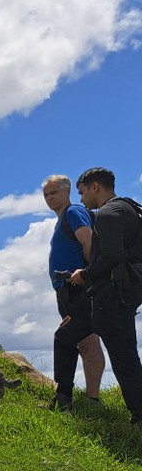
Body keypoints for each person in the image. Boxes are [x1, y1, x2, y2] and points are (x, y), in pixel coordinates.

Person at [68, 167, 142, 422]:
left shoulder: (108, 214)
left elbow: (111, 256)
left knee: (123, 357)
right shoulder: (130, 208)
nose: (81, 199)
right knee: (126, 353)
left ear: (95, 187)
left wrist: (85, 275)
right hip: (130, 289)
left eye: (81, 192)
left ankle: (138, 414)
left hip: (114, 293)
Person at [43, 174, 105, 405]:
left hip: (78, 287)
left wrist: (90, 278)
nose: (49, 198)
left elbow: (88, 243)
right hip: (67, 289)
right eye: (46, 194)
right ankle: (90, 399)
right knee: (86, 341)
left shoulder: (73, 212)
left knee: (73, 338)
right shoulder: (63, 219)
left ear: (66, 192)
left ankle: (71, 397)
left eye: (53, 193)